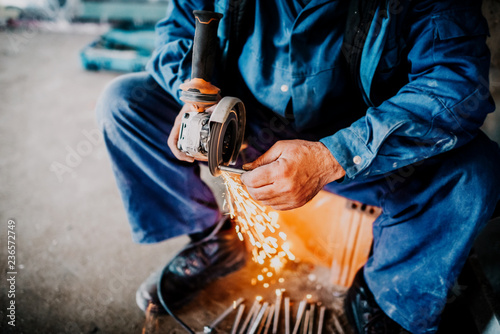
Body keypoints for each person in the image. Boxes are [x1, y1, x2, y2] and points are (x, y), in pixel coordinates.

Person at [96, 0, 500, 333]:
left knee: (472, 173)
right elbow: (181, 25)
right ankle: (215, 240)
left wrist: (333, 156)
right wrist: (192, 90)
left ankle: (387, 298)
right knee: (124, 103)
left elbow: (456, 84)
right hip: (241, 121)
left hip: (361, 141)